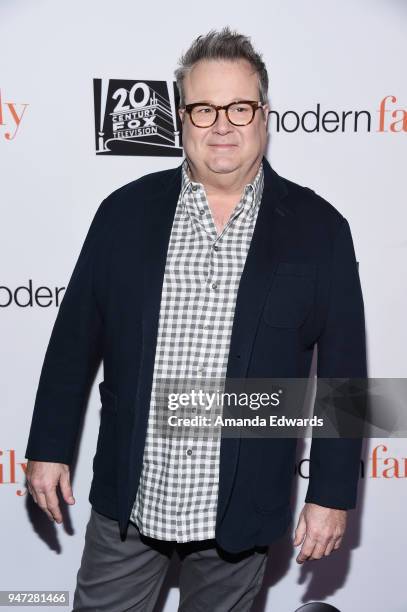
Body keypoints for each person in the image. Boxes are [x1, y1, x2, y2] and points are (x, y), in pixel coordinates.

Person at [25, 27, 367, 612]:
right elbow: (73, 342)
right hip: (132, 497)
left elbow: (345, 378)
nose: (222, 125)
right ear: (182, 118)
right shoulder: (123, 214)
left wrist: (332, 494)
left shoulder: (320, 229)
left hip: (242, 508)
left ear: (265, 115)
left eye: (239, 107)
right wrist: (49, 446)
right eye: (204, 108)